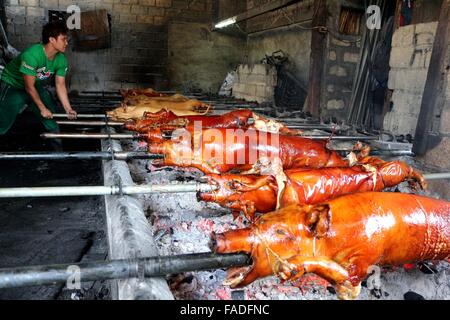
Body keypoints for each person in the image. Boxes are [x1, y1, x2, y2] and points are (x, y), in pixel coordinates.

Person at [0, 20, 77, 149]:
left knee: (51, 119)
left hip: (34, 86)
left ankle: (58, 155)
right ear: (52, 39)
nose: (67, 43)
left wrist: (68, 108)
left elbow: (60, 85)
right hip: (13, 85)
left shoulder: (61, 59)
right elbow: (28, 87)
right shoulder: (31, 55)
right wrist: (42, 108)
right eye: (63, 39)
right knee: (3, 123)